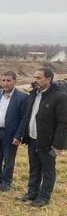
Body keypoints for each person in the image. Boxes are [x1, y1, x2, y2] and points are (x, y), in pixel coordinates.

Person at [17, 68, 67, 206]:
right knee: (34, 167)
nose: (35, 80)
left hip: (48, 142)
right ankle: (32, 193)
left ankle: (44, 197)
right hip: (32, 139)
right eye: (34, 77)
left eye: (39, 78)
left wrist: (58, 145)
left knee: (48, 170)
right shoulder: (34, 94)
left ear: (49, 79)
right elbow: (28, 116)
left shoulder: (60, 96)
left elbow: (63, 123)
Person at [0, 71, 27, 191]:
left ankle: (6, 182)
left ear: (15, 81)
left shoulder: (22, 97)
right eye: (3, 80)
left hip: (11, 134)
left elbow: (24, 118)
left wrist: (19, 135)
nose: (5, 83)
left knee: (8, 160)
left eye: (8, 80)